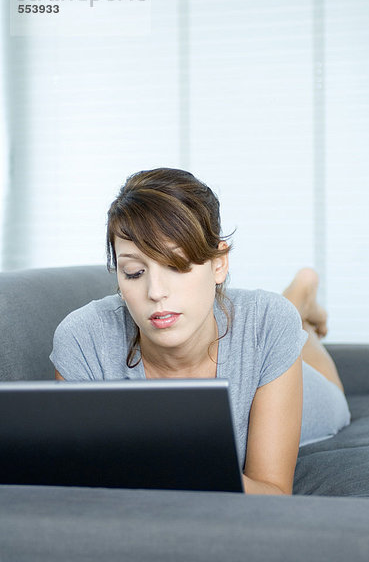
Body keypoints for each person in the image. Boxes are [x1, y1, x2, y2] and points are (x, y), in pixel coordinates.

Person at [51, 167, 351, 496]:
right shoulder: (83, 340)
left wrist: (164, 465)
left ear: (218, 264)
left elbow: (274, 493)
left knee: (330, 389)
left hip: (274, 352)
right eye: (135, 272)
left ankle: (300, 296)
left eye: (177, 266)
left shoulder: (267, 325)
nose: (155, 292)